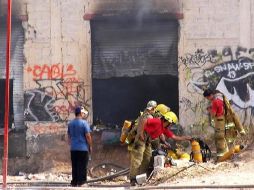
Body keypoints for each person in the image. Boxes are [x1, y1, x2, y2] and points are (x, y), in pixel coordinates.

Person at [128, 100, 157, 186]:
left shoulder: (148, 116)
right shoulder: (146, 117)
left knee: (147, 159)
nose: (155, 110)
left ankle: (141, 179)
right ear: (152, 108)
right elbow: (141, 132)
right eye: (154, 109)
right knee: (137, 161)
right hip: (140, 142)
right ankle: (133, 180)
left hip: (146, 142)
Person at [67, 106, 92, 187]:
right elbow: (88, 136)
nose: (84, 115)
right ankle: (82, 182)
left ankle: (74, 182)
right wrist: (90, 146)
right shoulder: (84, 123)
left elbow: (69, 137)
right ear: (81, 113)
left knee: (75, 165)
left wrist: (72, 145)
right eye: (83, 113)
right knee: (82, 166)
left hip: (73, 148)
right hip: (83, 148)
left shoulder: (70, 124)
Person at [203, 89, 229, 158]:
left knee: (219, 139)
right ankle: (226, 154)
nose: (208, 99)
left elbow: (213, 114)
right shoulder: (220, 98)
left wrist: (209, 110)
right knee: (223, 138)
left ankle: (221, 157)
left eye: (207, 97)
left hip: (219, 121)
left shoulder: (215, 101)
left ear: (210, 95)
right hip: (222, 120)